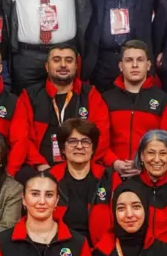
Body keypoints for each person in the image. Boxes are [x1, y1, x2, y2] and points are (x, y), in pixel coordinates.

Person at [90, 130, 167, 252]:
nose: (157, 159)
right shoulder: (128, 187)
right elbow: (117, 227)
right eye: (151, 153)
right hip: (134, 255)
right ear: (142, 155)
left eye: (163, 153)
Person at [9, 43, 110, 172]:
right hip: (41, 169)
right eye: (56, 60)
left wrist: (82, 165)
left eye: (69, 60)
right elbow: (21, 138)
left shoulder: (91, 95)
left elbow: (101, 137)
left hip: (82, 168)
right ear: (47, 67)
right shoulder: (29, 96)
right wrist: (40, 164)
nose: (63, 65)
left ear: (76, 66)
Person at [102, 39, 167, 174]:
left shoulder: (164, 101)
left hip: (150, 174)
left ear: (148, 65)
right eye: (129, 60)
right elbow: (100, 140)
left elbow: (166, 145)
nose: (135, 65)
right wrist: (114, 163)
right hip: (112, 174)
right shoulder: (105, 100)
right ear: (120, 66)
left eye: (140, 60)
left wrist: (143, 165)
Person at [46, 118, 109, 240]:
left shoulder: (109, 177)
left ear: (93, 148)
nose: (79, 146)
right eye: (72, 141)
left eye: (85, 141)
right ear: (63, 148)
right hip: (58, 245)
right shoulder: (49, 178)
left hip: (100, 248)